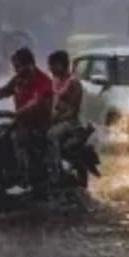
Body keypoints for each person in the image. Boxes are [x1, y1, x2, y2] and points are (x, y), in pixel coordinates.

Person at [0, 47, 54, 190]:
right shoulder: (18, 80)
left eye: (18, 67)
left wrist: (13, 114)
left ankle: (27, 176)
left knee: (12, 140)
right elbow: (2, 92)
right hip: (20, 122)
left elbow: (35, 103)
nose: (15, 70)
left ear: (29, 65)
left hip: (38, 126)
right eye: (14, 67)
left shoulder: (43, 81)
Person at [47, 50, 83, 182]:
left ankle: (56, 172)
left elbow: (73, 111)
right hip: (54, 119)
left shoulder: (74, 83)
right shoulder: (54, 80)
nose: (50, 68)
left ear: (61, 65)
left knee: (50, 136)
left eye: (52, 65)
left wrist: (55, 119)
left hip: (69, 123)